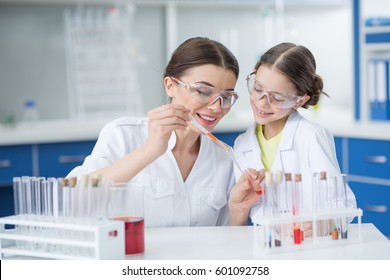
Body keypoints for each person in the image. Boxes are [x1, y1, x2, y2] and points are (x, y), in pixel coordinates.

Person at [67, 37, 241, 227]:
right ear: (170, 86)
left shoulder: (225, 159)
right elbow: (71, 202)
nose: (216, 107)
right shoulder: (123, 135)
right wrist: (150, 150)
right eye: (203, 91)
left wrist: (240, 211)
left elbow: (224, 240)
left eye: (226, 96)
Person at [228, 42, 356, 228]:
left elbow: (343, 205)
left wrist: (320, 225)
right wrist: (239, 206)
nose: (262, 102)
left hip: (310, 249)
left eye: (277, 97)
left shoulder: (311, 137)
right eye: (257, 88)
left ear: (299, 100)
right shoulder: (242, 145)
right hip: (267, 249)